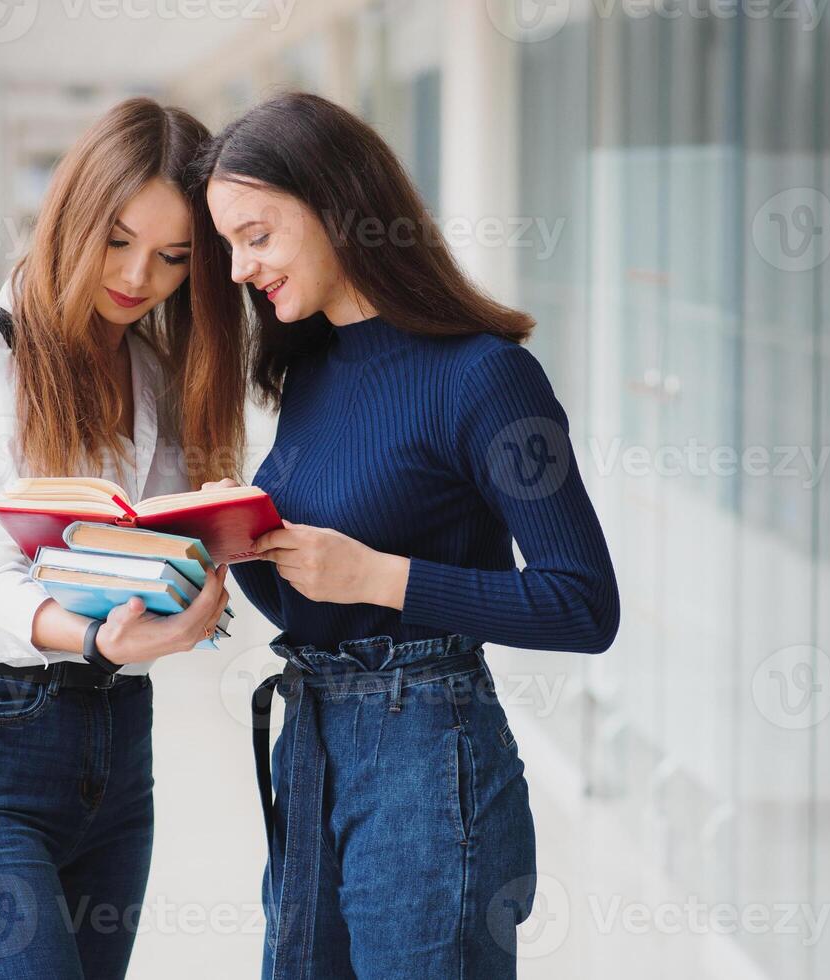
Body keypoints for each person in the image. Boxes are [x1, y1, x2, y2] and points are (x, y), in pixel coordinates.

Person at [187, 92, 621, 979]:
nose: (238, 268)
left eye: (256, 234)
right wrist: (244, 541)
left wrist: (382, 577)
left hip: (427, 753)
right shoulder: (310, 367)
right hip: (311, 741)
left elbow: (583, 605)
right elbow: (321, 596)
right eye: (229, 244)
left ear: (336, 204)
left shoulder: (487, 378)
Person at [0, 97, 238, 979]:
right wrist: (85, 633)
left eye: (172, 259)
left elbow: (147, 540)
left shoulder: (153, 371)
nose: (138, 278)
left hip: (119, 743)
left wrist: (196, 573)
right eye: (119, 240)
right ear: (73, 213)